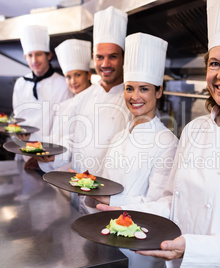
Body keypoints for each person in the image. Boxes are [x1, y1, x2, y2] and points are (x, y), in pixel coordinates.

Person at [97, 0, 220, 267]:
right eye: (215, 63)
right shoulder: (193, 131)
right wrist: (127, 210)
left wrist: (192, 248)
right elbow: (171, 202)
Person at [87, 32, 178, 268]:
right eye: (129, 88)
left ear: (158, 92)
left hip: (139, 249)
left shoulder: (166, 141)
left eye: (144, 89)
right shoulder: (119, 136)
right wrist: (88, 191)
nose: (134, 97)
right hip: (105, 235)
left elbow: (158, 204)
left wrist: (107, 199)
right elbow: (102, 184)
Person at [37, 6, 131, 212]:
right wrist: (53, 157)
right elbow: (71, 142)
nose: (105, 63)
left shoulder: (133, 100)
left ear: (124, 58)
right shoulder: (83, 99)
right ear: (93, 59)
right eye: (99, 57)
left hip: (117, 199)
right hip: (81, 195)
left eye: (113, 56)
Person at [12, 25, 73, 169]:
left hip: (49, 160)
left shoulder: (63, 84)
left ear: (49, 55)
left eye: (39, 54)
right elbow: (16, 121)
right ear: (25, 57)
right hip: (22, 156)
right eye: (30, 55)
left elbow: (64, 129)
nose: (34, 60)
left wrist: (40, 157)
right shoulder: (20, 84)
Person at [50, 39, 92, 147]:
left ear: (88, 75)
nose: (73, 81)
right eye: (68, 77)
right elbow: (53, 140)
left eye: (77, 75)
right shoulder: (62, 107)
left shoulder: (95, 104)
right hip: (56, 162)